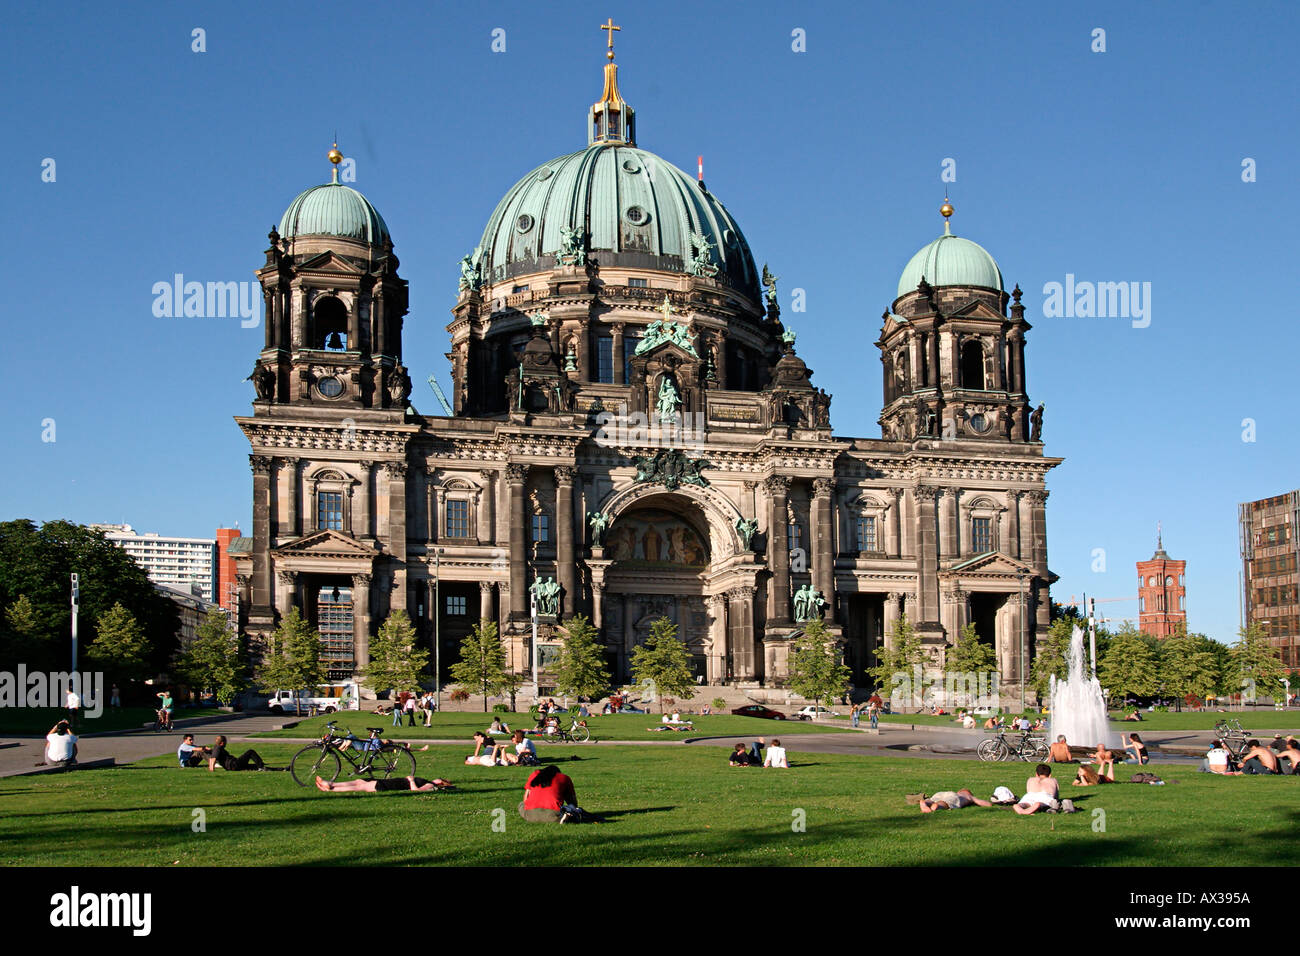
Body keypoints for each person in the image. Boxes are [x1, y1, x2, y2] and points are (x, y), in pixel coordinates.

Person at [316, 775, 452, 793]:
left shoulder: (431, 786)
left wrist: (411, 781)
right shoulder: (429, 781)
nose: (438, 779)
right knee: (359, 781)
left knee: (361, 786)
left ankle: (331, 789)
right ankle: (330, 783)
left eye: (441, 781)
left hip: (390, 786)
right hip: (390, 782)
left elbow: (416, 791)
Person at [919, 788, 993, 812]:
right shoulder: (968, 796)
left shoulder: (958, 793)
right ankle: (937, 806)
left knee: (932, 799)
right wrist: (990, 804)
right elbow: (983, 803)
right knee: (946, 803)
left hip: (941, 793)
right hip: (952, 796)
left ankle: (925, 802)